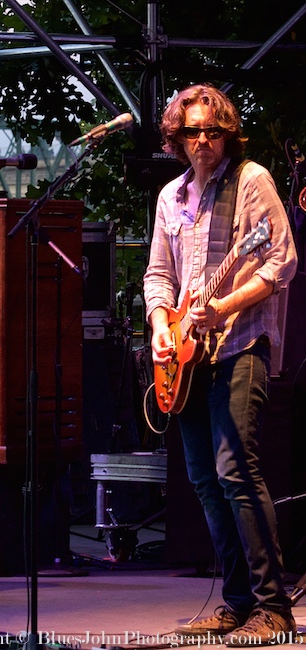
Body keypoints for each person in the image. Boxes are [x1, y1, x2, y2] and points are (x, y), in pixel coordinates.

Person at [143, 84, 298, 645]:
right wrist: (164, 325)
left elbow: (280, 261)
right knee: (205, 481)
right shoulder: (170, 197)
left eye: (212, 130)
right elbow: (158, 275)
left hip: (241, 346)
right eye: (192, 132)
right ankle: (236, 603)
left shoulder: (252, 180)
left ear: (227, 132)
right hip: (185, 355)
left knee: (236, 472)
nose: (203, 140)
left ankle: (273, 607)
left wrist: (223, 307)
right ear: (176, 137)